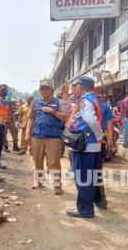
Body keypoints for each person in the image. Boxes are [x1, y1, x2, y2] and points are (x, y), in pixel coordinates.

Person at [65, 76, 103, 218]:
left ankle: (85, 210)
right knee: (88, 177)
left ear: (80, 86)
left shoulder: (85, 100)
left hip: (85, 145)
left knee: (83, 178)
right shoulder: (93, 98)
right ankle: (88, 205)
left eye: (75, 86)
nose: (75, 88)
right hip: (90, 145)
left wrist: (99, 135)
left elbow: (90, 120)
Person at [25, 79, 68, 195]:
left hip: (53, 136)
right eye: (42, 88)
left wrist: (53, 112)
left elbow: (65, 117)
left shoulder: (58, 102)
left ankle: (57, 185)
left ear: (52, 90)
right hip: (37, 135)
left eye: (47, 88)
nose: (45, 90)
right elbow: (31, 118)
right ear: (40, 90)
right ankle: (39, 182)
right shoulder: (35, 102)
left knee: (54, 161)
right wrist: (27, 133)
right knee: (37, 160)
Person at [0, 84, 11, 169]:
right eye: (3, 90)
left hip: (2, 126)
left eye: (6, 90)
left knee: (0, 145)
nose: (5, 91)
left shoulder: (7, 101)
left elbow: (7, 112)